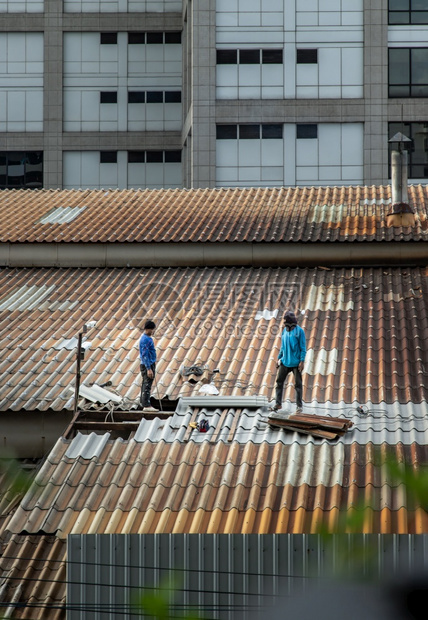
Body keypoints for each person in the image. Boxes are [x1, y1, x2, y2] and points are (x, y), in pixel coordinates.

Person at [273, 311, 306, 413]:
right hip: (285, 361)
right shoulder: (285, 331)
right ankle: (278, 404)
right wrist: (279, 358)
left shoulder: (300, 331)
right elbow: (282, 346)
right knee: (279, 382)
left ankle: (299, 406)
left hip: (296, 363)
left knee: (298, 385)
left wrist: (302, 361)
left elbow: (303, 348)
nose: (284, 323)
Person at [139, 320, 159, 413]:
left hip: (149, 364)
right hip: (148, 365)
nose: (153, 331)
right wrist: (149, 369)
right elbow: (144, 354)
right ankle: (146, 405)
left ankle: (143, 402)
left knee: (145, 384)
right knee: (147, 384)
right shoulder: (145, 339)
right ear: (147, 329)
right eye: (152, 329)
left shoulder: (147, 338)